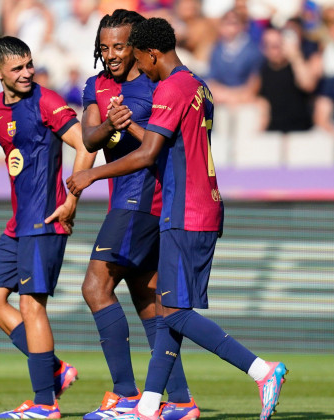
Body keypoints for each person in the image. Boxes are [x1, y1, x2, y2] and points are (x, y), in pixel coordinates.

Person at [66, 17, 287, 420]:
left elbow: (151, 154)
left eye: (132, 53)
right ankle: (161, 403)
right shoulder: (198, 85)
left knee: (168, 310)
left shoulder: (166, 87)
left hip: (180, 206)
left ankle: (260, 369)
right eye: (109, 48)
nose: (125, 60)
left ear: (149, 53)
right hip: (190, 204)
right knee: (162, 307)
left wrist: (91, 174)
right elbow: (168, 141)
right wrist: (125, 125)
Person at [80, 9, 197, 420]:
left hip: (144, 201)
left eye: (119, 45)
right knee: (149, 302)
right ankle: (181, 402)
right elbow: (88, 135)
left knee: (95, 288)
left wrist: (127, 128)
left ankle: (127, 396)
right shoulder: (97, 85)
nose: (111, 54)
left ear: (137, 47)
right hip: (123, 201)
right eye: (104, 46)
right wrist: (110, 122)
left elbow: (156, 149)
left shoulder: (153, 85)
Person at [0, 35, 95, 419]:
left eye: (30, 64)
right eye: (18, 68)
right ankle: (55, 369)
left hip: (45, 221)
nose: (28, 73)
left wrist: (72, 197)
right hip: (17, 225)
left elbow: (85, 145)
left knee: (31, 306)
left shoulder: (46, 101)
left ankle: (45, 403)